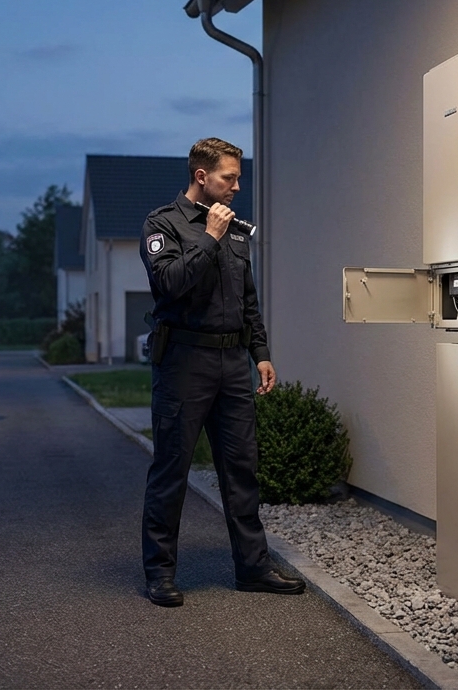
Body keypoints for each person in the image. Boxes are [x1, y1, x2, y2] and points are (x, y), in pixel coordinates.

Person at [138, 137, 305, 607]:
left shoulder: (235, 229)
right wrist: (208, 238)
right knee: (171, 468)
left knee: (242, 470)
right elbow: (168, 285)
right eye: (228, 178)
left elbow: (246, 299)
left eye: (237, 177)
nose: (236, 186)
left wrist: (261, 352)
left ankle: (252, 568)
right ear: (201, 177)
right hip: (184, 363)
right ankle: (160, 574)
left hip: (233, 364)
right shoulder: (162, 224)